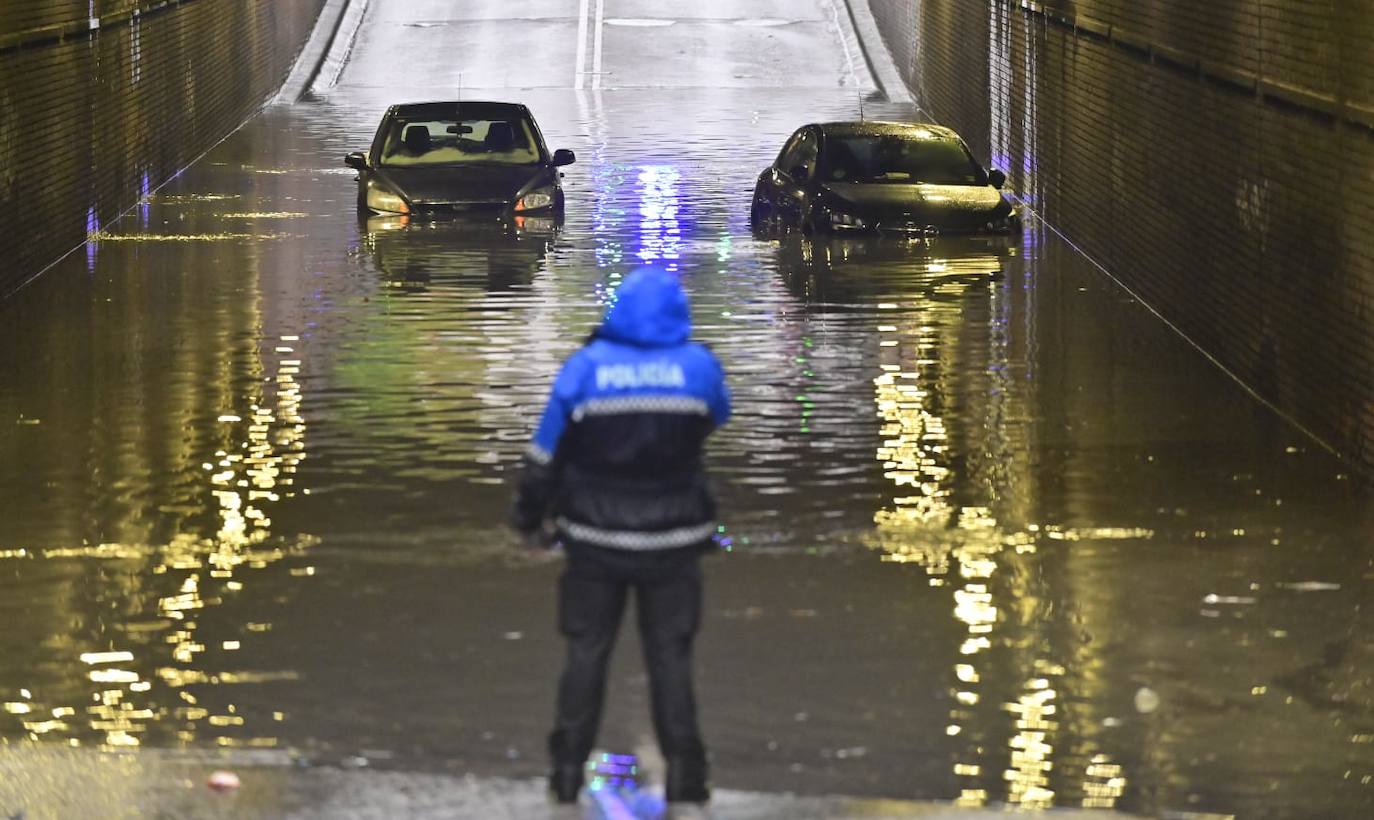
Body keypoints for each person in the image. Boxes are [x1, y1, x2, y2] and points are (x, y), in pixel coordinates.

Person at [510, 265, 731, 808]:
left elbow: (543, 461)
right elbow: (714, 419)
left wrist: (526, 521)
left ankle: (564, 778)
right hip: (675, 543)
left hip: (593, 541)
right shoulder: (698, 367)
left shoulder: (584, 369)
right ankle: (688, 782)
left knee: (586, 655)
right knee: (671, 661)